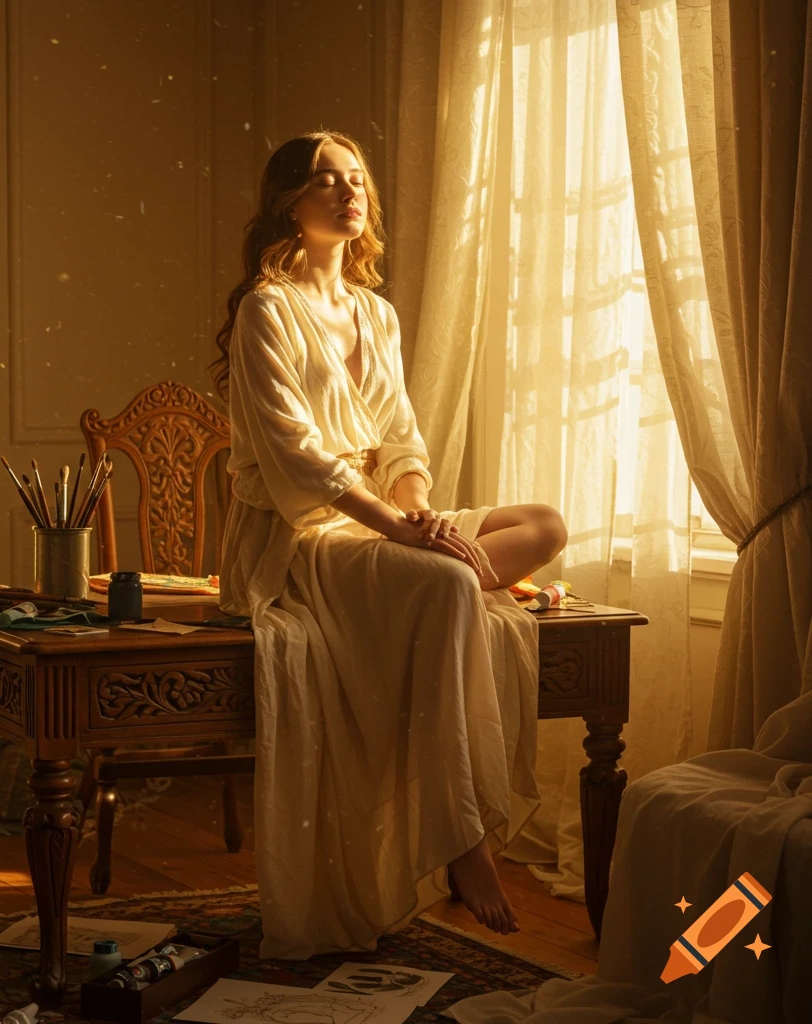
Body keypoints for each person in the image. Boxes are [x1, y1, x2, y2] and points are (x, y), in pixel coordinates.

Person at [208, 130, 567, 959]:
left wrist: (424, 518)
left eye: (357, 179)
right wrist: (401, 533)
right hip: (304, 534)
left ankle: (431, 583)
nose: (349, 193)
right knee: (450, 586)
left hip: (386, 518)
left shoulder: (377, 312)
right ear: (288, 203)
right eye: (326, 181)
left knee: (544, 525)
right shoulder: (266, 310)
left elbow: (401, 440)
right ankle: (463, 836)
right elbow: (298, 455)